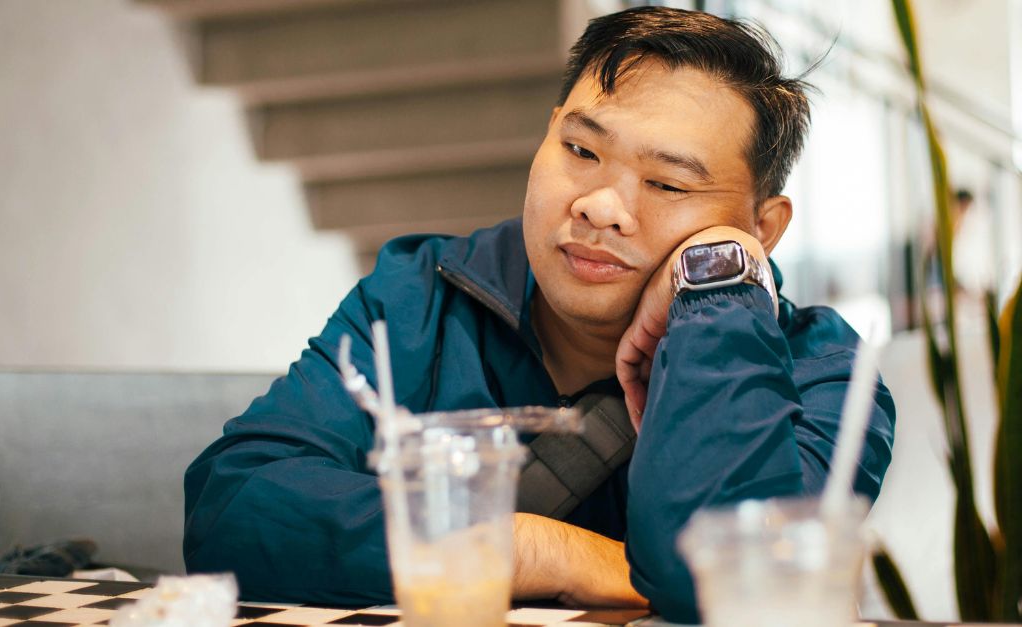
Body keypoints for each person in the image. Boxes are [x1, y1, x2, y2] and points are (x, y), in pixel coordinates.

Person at [183, 6, 895, 623]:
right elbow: (232, 508)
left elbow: (726, 587)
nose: (599, 205)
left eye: (668, 182)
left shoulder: (821, 375)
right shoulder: (420, 296)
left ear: (763, 228)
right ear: (546, 134)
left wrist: (716, 285)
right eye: (580, 150)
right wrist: (534, 547)